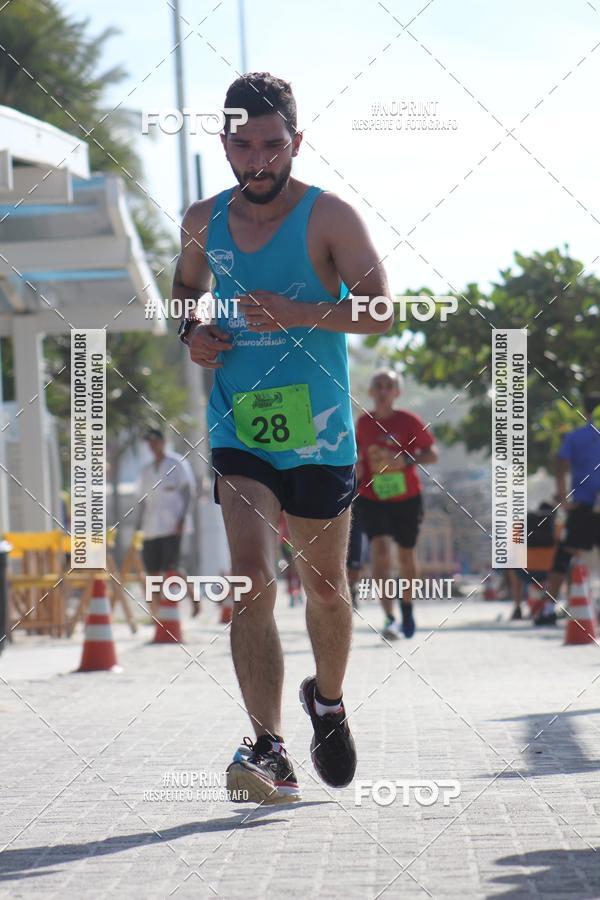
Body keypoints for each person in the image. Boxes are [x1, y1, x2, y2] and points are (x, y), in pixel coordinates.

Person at [174, 72, 393, 803]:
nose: (259, 160)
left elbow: (380, 310)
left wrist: (301, 312)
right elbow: (183, 291)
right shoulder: (203, 219)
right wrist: (193, 333)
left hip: (319, 430)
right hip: (240, 425)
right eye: (244, 145)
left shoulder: (330, 218)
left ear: (296, 143)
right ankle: (267, 748)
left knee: (327, 588)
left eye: (273, 145)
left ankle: (325, 701)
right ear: (226, 145)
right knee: (249, 576)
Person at [354, 369, 438, 639]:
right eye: (377, 385)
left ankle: (407, 607)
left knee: (405, 555)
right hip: (372, 496)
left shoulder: (409, 421)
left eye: (388, 386)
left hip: (406, 497)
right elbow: (357, 457)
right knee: (379, 552)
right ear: (370, 391)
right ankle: (389, 616)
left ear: (397, 392)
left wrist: (408, 461)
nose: (382, 390)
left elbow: (432, 453)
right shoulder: (363, 424)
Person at [542, 393, 600, 624]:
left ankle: (547, 609)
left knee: (564, 556)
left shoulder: (575, 437)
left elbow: (560, 465)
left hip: (582, 506)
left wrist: (563, 498)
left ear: (585, 412)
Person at [136, 428, 196, 618]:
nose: (152, 446)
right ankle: (156, 614)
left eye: (155, 441)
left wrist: (182, 518)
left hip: (172, 526)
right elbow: (143, 501)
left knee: (172, 568)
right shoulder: (146, 470)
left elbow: (189, 493)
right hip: (151, 528)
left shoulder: (177, 463)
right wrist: (138, 527)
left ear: (163, 441)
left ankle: (194, 600)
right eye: (149, 443)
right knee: (152, 572)